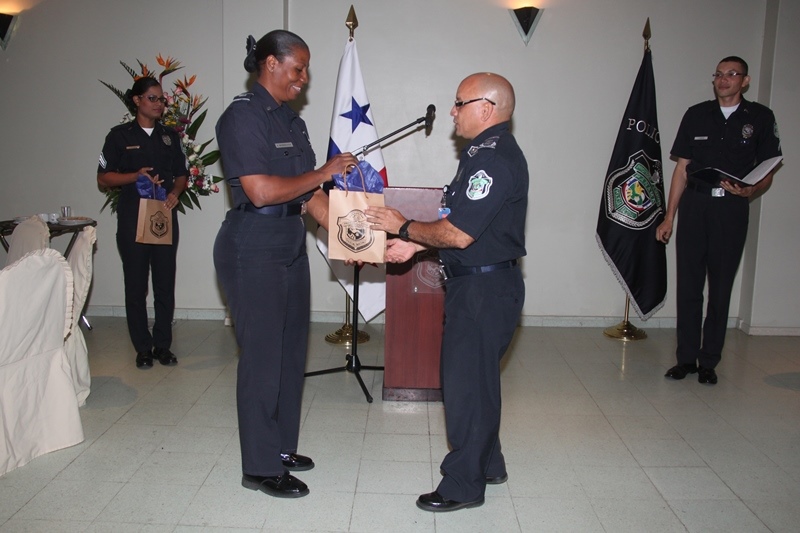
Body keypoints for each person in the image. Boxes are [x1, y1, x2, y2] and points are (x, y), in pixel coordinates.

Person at [367, 73, 528, 512]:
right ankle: (488, 464)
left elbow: (459, 234)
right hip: (481, 285)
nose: (452, 111)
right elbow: (468, 227)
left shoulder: (493, 160)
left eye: (460, 103)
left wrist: (402, 226)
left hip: (483, 290)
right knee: (477, 382)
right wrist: (416, 246)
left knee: (465, 389)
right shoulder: (482, 154)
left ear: (486, 109)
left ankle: (462, 486)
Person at [213, 30, 357, 499]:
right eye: (299, 68)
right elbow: (259, 191)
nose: (304, 78)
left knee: (291, 352)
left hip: (290, 241)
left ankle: (280, 448)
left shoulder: (293, 123)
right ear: (271, 64)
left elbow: (311, 197)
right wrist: (323, 173)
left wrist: (358, 238)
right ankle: (258, 467)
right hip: (253, 244)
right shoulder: (242, 117)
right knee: (262, 357)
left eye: (306, 69)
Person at [656, 56, 782, 385]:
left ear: (745, 80)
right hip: (695, 205)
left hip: (731, 208)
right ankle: (685, 359)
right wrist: (669, 217)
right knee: (689, 285)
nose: (723, 80)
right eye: (719, 74)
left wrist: (752, 190)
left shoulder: (760, 117)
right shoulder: (696, 114)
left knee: (721, 286)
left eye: (732, 74)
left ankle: (709, 361)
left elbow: (769, 166)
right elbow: (682, 169)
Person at [97, 77, 188, 369]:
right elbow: (103, 178)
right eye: (152, 98)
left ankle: (163, 345)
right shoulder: (119, 136)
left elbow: (182, 174)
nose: (159, 104)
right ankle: (143, 348)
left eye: (162, 99)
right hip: (133, 217)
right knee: (136, 285)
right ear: (137, 100)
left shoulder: (170, 136)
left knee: (165, 284)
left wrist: (175, 193)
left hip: (163, 217)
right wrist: (134, 176)